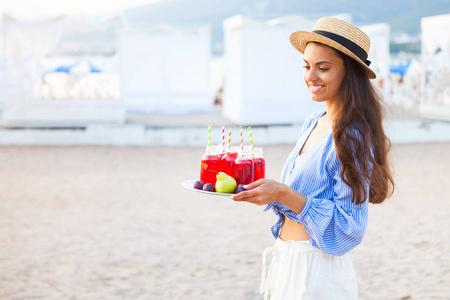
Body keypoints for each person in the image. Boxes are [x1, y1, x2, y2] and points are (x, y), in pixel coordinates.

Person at [231, 17, 395, 299]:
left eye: (323, 68)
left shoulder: (352, 137)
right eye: (307, 66)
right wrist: (266, 191)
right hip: (287, 259)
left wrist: (283, 193)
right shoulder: (314, 121)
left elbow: (348, 229)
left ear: (349, 73)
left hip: (317, 271)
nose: (310, 76)